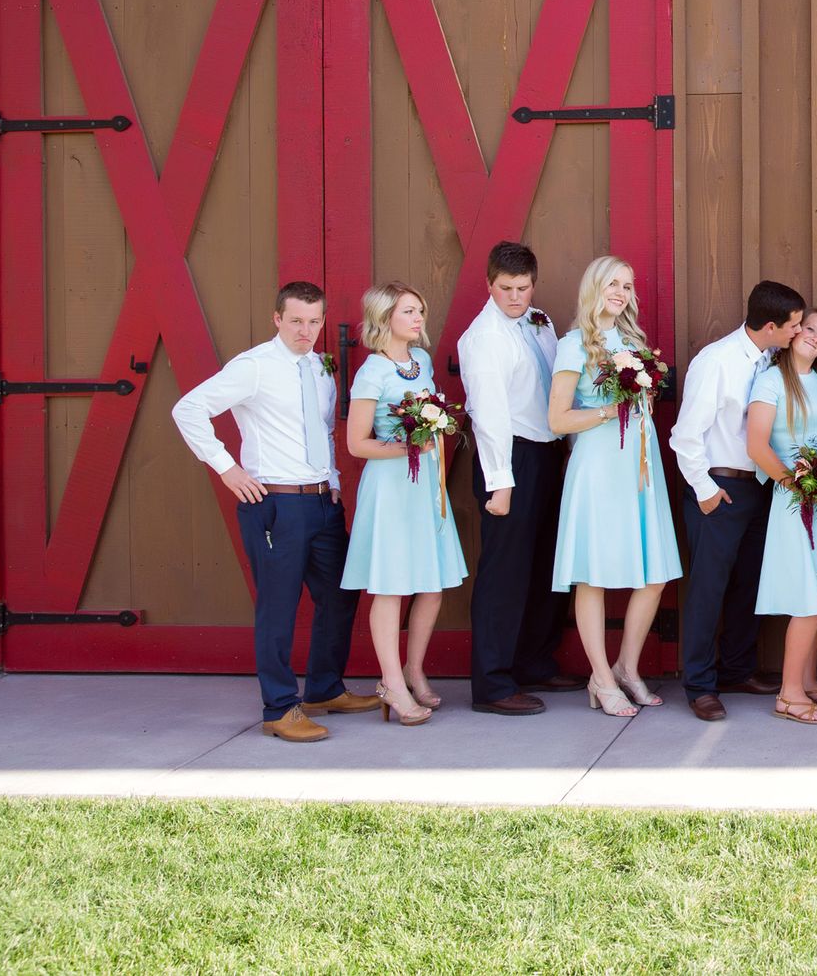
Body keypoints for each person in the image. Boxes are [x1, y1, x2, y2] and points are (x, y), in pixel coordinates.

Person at [171, 281, 378, 741]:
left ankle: (325, 688)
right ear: (277, 319)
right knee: (278, 608)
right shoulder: (255, 367)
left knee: (341, 595)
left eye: (314, 321)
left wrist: (336, 484)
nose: (306, 330)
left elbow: (323, 431)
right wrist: (228, 470)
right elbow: (188, 409)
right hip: (275, 504)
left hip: (323, 502)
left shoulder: (320, 369)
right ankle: (280, 708)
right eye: (297, 320)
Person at [549, 256, 683, 718]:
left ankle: (627, 666)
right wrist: (609, 412)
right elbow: (557, 419)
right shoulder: (574, 346)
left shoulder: (632, 343)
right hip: (599, 467)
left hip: (640, 467)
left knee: (656, 572)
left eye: (627, 285)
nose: (621, 292)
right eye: (613, 283)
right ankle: (601, 678)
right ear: (594, 287)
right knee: (594, 574)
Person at [671, 279, 805, 720]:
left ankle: (736, 668)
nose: (797, 335)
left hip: (757, 489)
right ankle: (699, 685)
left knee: (748, 582)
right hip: (719, 487)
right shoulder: (717, 362)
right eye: (793, 327)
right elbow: (685, 436)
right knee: (708, 588)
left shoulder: (769, 359)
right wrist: (706, 494)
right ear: (770, 325)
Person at [457, 240, 579, 717]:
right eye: (504, 288)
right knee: (504, 575)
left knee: (545, 566)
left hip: (546, 454)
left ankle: (534, 661)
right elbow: (487, 417)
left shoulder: (541, 321)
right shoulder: (482, 338)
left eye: (522, 288)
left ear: (534, 283)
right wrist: (501, 483)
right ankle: (492, 683)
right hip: (507, 458)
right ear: (489, 285)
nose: (514, 297)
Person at [338, 281, 468, 727]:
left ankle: (414, 669)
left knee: (432, 584)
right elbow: (357, 443)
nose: (418, 319)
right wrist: (406, 447)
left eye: (420, 311)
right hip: (392, 487)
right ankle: (391, 682)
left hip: (425, 487)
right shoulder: (371, 372)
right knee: (392, 585)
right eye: (409, 311)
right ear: (384, 318)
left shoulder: (423, 362)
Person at [748, 308, 817, 725]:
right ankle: (789, 694)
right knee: (808, 598)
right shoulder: (771, 380)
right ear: (792, 333)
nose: (814, 338)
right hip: (799, 500)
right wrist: (798, 484)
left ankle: (808, 682)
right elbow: (757, 445)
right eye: (809, 329)